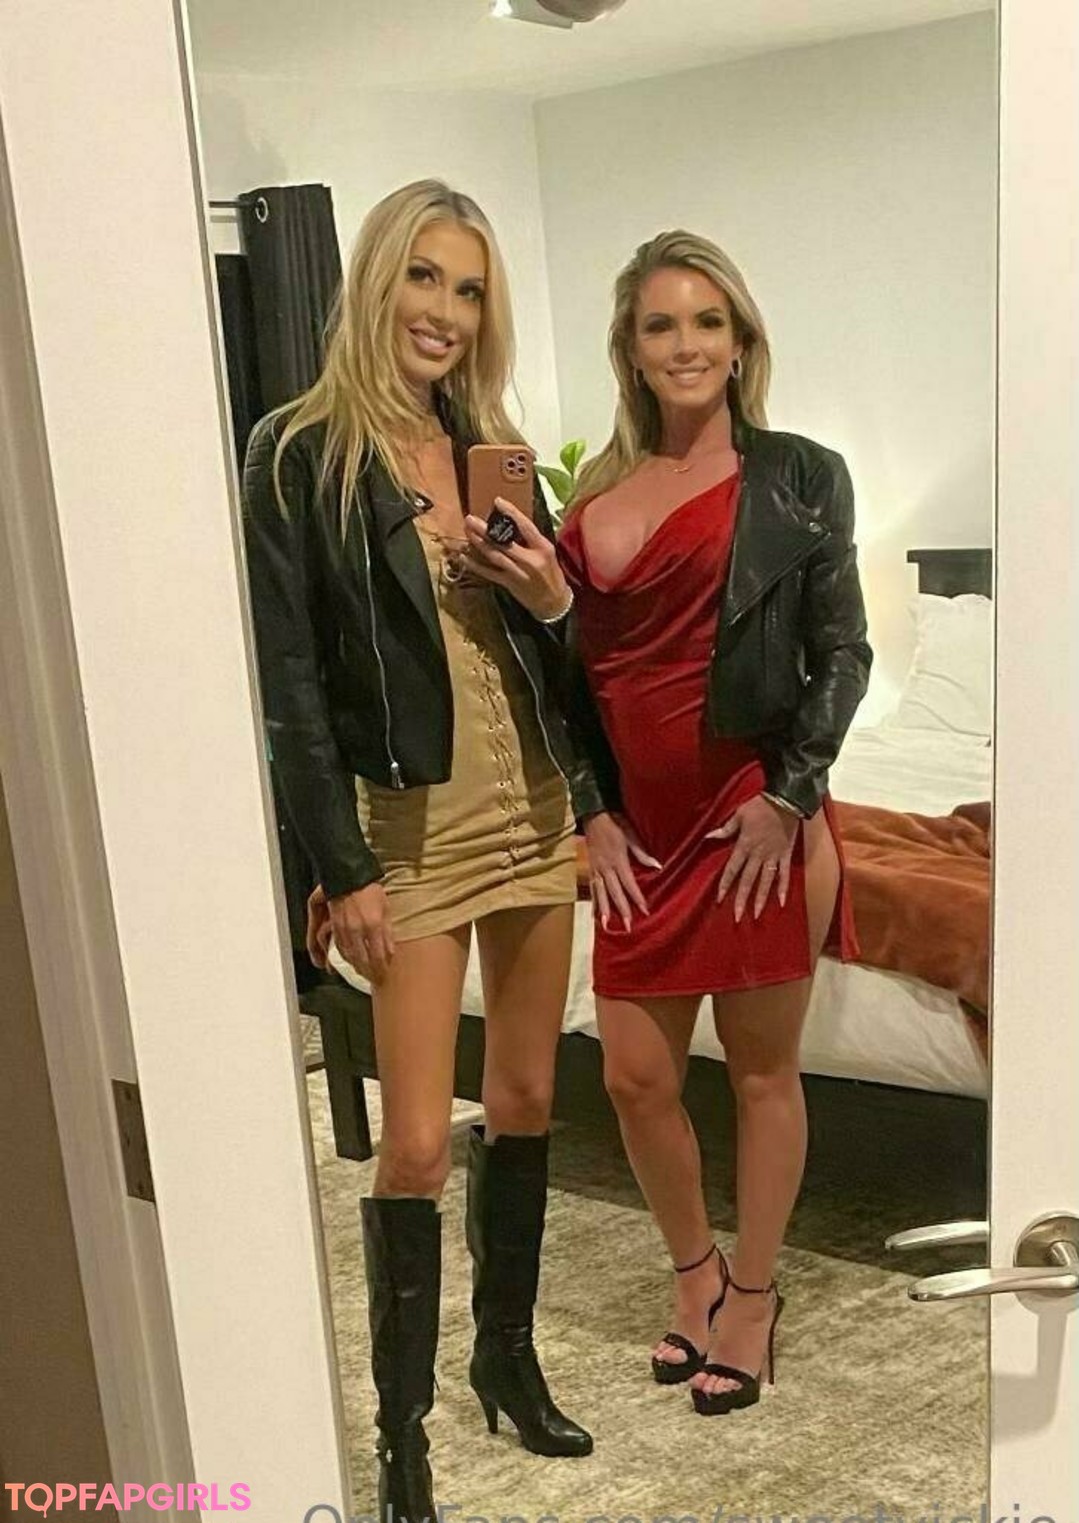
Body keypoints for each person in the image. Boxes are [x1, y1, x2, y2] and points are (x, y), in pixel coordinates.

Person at [242, 179, 593, 1520]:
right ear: (377, 278)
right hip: (411, 827)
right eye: (425, 277)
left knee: (527, 1094)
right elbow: (292, 687)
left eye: (470, 288)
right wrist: (341, 865)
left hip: (532, 809)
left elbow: (557, 651)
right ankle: (403, 1439)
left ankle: (508, 1354)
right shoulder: (300, 452)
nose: (445, 310)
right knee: (414, 1147)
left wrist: (551, 594)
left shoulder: (492, 448)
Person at [556, 229, 872, 1418]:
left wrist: (790, 796)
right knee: (634, 1076)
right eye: (661, 324)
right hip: (639, 833)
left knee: (760, 1073)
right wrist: (589, 813)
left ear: (739, 343)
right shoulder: (591, 498)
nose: (686, 344)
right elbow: (566, 682)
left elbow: (844, 652)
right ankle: (695, 1271)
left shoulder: (800, 475)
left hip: (755, 819)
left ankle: (754, 1294)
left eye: (707, 322)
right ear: (631, 350)